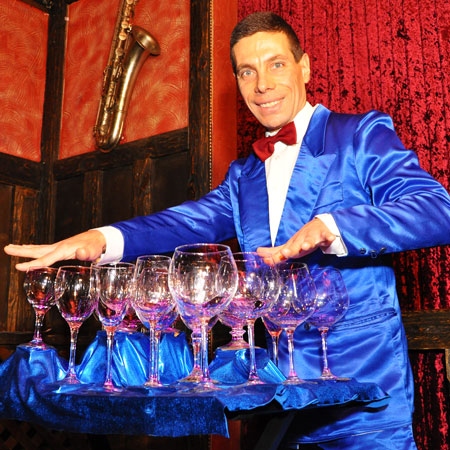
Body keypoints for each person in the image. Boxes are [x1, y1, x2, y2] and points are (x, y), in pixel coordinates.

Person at [5, 11, 450, 449]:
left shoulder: (359, 135)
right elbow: (183, 222)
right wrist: (101, 239)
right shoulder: (244, 176)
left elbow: (437, 210)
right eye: (247, 72)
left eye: (276, 64)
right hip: (275, 394)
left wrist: (332, 226)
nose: (262, 84)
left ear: (304, 67)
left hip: (363, 389)